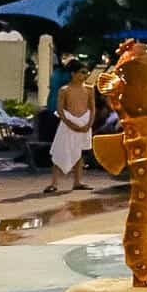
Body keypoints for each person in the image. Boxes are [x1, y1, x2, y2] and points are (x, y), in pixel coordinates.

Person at [47, 63, 96, 194]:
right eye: (81, 72)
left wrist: (89, 123)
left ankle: (78, 181)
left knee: (79, 153)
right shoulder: (64, 89)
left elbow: (92, 107)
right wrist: (70, 124)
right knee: (60, 152)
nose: (84, 75)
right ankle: (54, 183)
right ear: (73, 74)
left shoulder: (90, 89)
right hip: (69, 123)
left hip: (84, 122)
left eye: (86, 72)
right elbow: (60, 109)